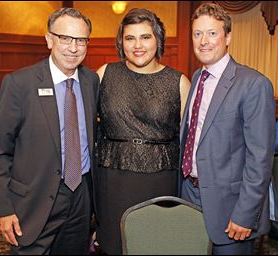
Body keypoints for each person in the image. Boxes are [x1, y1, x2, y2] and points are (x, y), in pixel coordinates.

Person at [0, 8, 99, 255]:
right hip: (33, 200)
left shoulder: (91, 81)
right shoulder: (19, 84)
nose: (73, 47)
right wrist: (4, 208)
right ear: (49, 39)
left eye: (81, 40)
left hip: (81, 197)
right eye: (65, 38)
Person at [179, 3, 276, 255]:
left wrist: (246, 214)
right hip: (189, 195)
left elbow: (260, 159)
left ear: (228, 36)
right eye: (197, 33)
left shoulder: (254, 84)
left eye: (212, 33)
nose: (203, 41)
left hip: (231, 208)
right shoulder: (197, 79)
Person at [95, 8, 190, 255]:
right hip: (112, 178)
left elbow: (192, 142)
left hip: (159, 180)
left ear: (158, 40)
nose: (138, 45)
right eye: (130, 38)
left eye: (145, 37)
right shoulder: (105, 74)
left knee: (155, 244)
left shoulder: (178, 82)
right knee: (115, 245)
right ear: (121, 42)